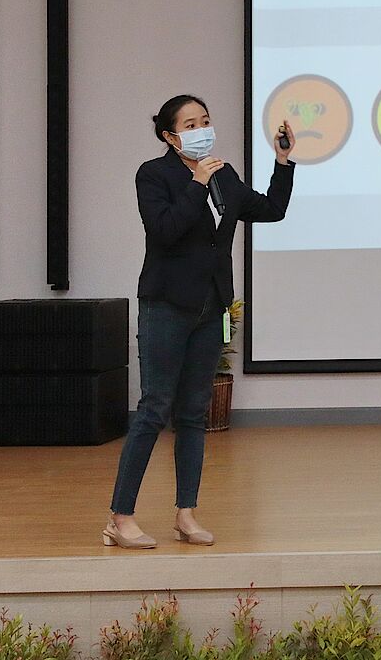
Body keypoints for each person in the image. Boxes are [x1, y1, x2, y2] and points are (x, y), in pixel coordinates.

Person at [103, 94, 296, 549]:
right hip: (167, 304)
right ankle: (120, 517)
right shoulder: (154, 174)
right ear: (170, 136)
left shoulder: (223, 174)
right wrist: (196, 183)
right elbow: (165, 230)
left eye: (205, 121)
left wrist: (282, 162)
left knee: (193, 414)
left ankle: (185, 513)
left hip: (211, 306)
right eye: (190, 124)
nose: (201, 130)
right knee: (154, 407)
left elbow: (271, 209)